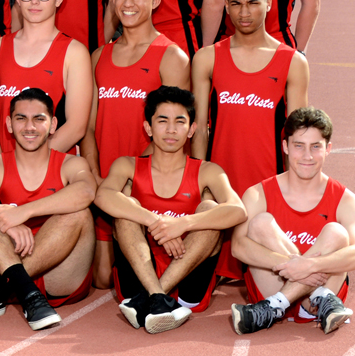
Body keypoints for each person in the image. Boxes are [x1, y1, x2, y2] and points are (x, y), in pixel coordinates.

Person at [95, 86, 245, 333]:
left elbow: (238, 211)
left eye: (180, 122)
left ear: (192, 130)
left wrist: (183, 223)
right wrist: (156, 221)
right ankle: (157, 296)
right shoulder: (127, 166)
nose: (171, 129)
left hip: (187, 283)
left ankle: (153, 296)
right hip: (137, 278)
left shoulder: (208, 171)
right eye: (162, 121)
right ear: (148, 128)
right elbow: (103, 195)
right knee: (126, 207)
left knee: (209, 208)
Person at [0, 88, 96, 329]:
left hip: (57, 275)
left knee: (78, 212)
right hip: (3, 258)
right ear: (8, 124)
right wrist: (1, 217)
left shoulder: (72, 163)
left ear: (53, 124)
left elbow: (87, 192)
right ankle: (27, 292)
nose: (30, 127)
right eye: (21, 118)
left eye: (39, 118)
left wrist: (23, 212)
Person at [83, 0, 190, 287]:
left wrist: (130, 181)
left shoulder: (171, 57)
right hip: (105, 185)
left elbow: (173, 133)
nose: (128, 3)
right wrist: (98, 177)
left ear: (156, 0)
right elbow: (88, 128)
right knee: (102, 279)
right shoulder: (99, 55)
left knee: (129, 276)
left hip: (145, 187)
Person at [230, 108, 355, 335]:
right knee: (261, 223)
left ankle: (277, 305)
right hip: (271, 287)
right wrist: (293, 266)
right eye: (299, 146)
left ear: (328, 149)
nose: (307, 156)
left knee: (337, 232)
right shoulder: (257, 194)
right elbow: (238, 247)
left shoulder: (347, 200)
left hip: (302, 303)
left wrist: (310, 266)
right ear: (285, 146)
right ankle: (306, 297)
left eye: (316, 146)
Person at [191, 0, 310, 195]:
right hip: (219, 189)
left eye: (253, 3)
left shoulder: (293, 62)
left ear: (268, 3)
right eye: (236, 4)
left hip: (270, 188)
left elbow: (297, 136)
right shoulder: (207, 58)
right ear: (226, 6)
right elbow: (199, 130)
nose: (244, 12)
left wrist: (293, 190)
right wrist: (200, 185)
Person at [0, 0, 93, 155]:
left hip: (54, 171)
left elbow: (76, 126)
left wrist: (30, 165)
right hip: (1, 171)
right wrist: (1, 167)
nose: (35, 1)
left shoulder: (74, 53)